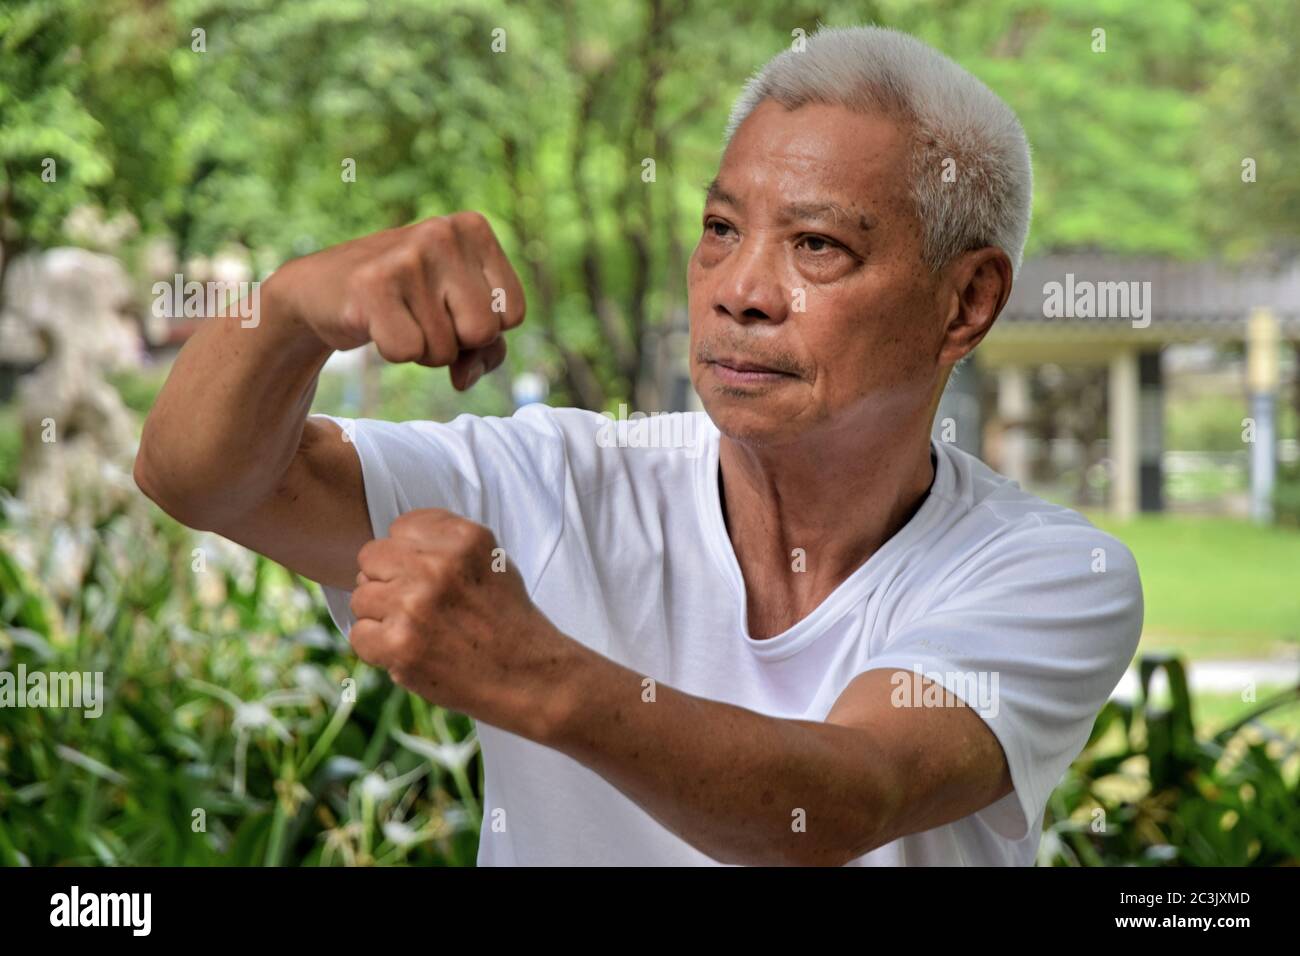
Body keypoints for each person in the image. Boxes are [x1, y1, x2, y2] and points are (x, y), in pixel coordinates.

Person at [135, 25, 1143, 866]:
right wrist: (297, 307)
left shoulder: (1047, 572)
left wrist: (533, 670)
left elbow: (840, 798)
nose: (738, 288)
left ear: (964, 302)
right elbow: (200, 478)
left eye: (816, 244)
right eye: (718, 226)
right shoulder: (560, 480)